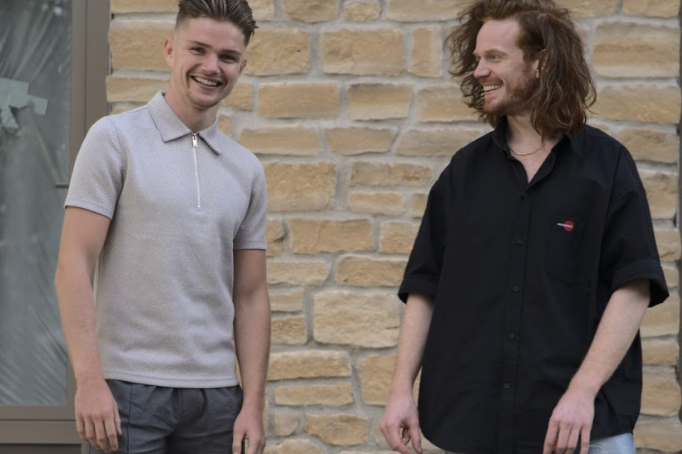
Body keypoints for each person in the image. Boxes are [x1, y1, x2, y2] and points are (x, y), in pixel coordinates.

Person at [379, 1, 668, 454]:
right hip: (473, 423)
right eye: (477, 58)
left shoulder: (607, 167)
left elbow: (634, 286)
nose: (479, 71)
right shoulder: (464, 172)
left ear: (541, 63)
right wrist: (400, 391)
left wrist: (582, 391)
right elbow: (424, 286)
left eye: (494, 57)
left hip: (581, 427)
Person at [54, 1, 270, 453]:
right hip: (127, 391)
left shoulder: (246, 169)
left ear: (241, 66)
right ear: (170, 50)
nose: (212, 67)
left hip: (217, 399)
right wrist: (89, 381)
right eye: (198, 49)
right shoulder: (115, 139)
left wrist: (253, 404)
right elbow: (73, 265)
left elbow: (250, 296)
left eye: (227, 57)